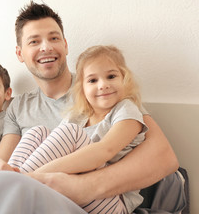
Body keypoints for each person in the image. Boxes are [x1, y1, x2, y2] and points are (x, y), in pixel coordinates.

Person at [0, 1, 179, 208]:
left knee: (70, 133)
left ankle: (15, 188)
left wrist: (79, 185)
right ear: (19, 53)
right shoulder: (18, 106)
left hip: (89, 196)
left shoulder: (101, 94)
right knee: (35, 133)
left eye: (54, 38)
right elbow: (2, 162)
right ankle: (7, 192)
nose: (46, 47)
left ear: (65, 45)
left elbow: (164, 157)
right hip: (34, 196)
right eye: (34, 41)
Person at [8, 45, 147, 213]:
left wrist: (31, 178)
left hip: (113, 202)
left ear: (124, 78)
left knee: (71, 132)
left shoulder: (126, 109)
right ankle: (6, 182)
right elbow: (53, 145)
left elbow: (104, 151)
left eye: (111, 76)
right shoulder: (79, 116)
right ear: (82, 88)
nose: (103, 85)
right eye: (93, 80)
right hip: (75, 191)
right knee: (38, 131)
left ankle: (15, 187)